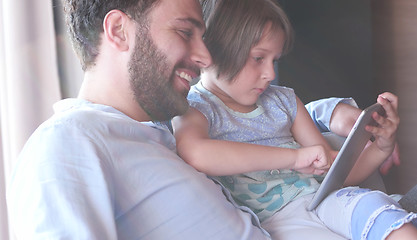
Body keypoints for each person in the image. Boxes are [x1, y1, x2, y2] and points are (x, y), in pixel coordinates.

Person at [6, 0, 271, 239]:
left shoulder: (160, 140)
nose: (205, 57)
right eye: (185, 32)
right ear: (119, 30)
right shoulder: (67, 141)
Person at [172, 0, 417, 239]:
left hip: (324, 200)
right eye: (259, 58)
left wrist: (382, 147)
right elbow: (196, 153)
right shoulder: (196, 108)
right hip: (275, 222)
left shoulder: (284, 101)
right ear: (213, 51)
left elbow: (332, 173)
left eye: (274, 60)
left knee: (376, 207)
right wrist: (294, 158)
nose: (270, 74)